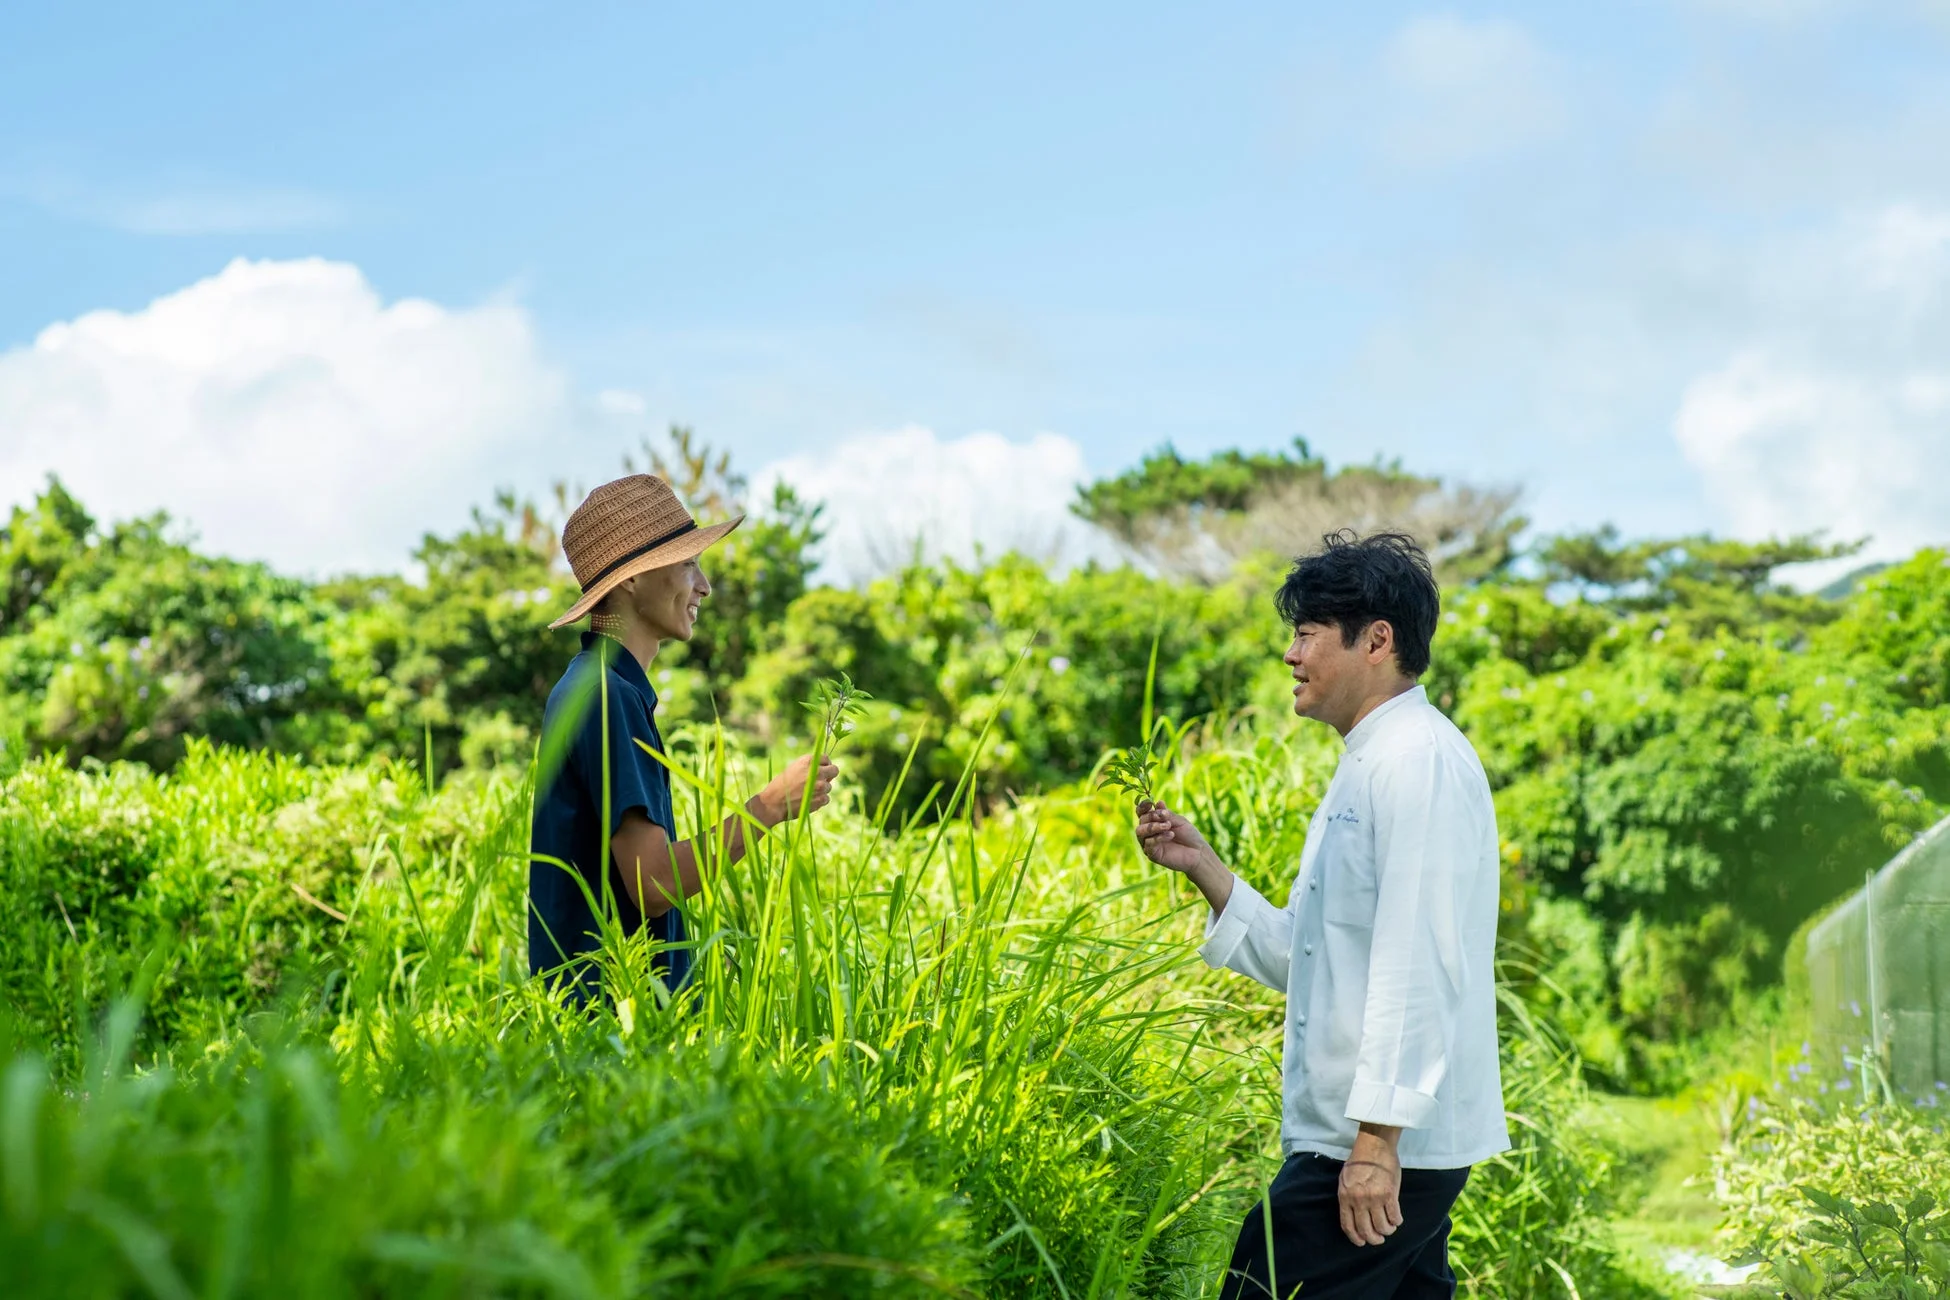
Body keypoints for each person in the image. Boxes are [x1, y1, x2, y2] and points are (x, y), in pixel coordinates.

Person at [1135, 531, 1507, 1300]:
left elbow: (1419, 959)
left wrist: (1375, 1142)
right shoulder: (1367, 762)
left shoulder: (1417, 761)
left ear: (1377, 641)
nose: (1291, 655)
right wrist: (1203, 866)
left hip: (1373, 1147)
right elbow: (1305, 957)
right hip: (1368, 1142)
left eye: (1307, 634)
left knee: (1264, 1285)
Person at [530, 473, 837, 1004]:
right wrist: (769, 806)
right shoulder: (605, 695)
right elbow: (652, 885)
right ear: (631, 578)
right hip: (612, 1027)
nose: (704, 585)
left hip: (612, 1023)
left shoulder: (597, 687)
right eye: (688, 563)